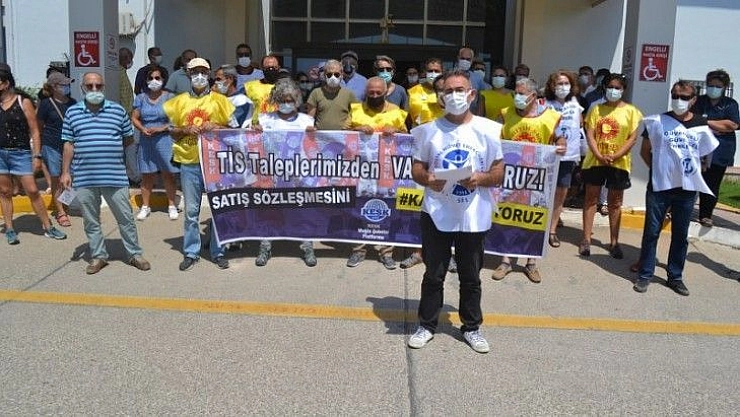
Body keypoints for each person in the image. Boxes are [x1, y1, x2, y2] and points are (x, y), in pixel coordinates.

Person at [407, 69, 504, 354]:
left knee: (471, 276)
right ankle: (427, 325)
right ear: (440, 97)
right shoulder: (428, 130)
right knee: (433, 274)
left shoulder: (488, 129)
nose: (454, 95)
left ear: (471, 94)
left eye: (459, 90)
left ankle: (472, 327)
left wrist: (480, 178)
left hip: (473, 215)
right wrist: (428, 179)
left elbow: (498, 172)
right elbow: (416, 169)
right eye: (448, 91)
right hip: (436, 212)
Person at [633, 80, 718, 296]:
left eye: (684, 97)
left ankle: (675, 276)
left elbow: (706, 152)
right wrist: (661, 171)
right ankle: (645, 274)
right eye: (675, 96)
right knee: (651, 232)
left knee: (680, 235)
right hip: (659, 188)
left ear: (693, 100)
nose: (679, 100)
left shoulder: (701, 123)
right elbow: (645, 151)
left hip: (687, 190)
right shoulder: (658, 121)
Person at [60, 71, 149, 274]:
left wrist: (121, 162)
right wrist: (65, 172)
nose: (94, 89)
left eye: (98, 86)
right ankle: (99, 256)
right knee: (91, 220)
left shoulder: (117, 111)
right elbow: (68, 144)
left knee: (125, 218)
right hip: (84, 177)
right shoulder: (72, 113)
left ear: (104, 88)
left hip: (114, 176)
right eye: (89, 86)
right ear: (82, 88)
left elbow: (128, 140)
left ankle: (134, 254)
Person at [163, 58, 236, 271]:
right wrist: (184, 129)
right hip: (190, 162)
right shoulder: (179, 101)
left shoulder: (221, 100)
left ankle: (218, 252)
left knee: (218, 209)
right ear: (188, 74)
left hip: (216, 162)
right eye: (195, 72)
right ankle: (191, 252)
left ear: (209, 73)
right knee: (191, 211)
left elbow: (234, 131)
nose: (200, 76)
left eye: (203, 72)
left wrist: (218, 126)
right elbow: (171, 131)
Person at [491, 78, 565, 283]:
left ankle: (531, 263)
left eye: (521, 93)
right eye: (516, 93)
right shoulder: (506, 114)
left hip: (537, 178)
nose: (517, 97)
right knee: (507, 216)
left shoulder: (550, 117)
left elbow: (560, 138)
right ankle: (505, 261)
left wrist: (561, 145)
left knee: (534, 219)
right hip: (510, 177)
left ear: (533, 96)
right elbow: (494, 137)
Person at [246, 78, 317, 267]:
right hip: (272, 176)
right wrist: (255, 132)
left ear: (297, 100)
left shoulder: (306, 121)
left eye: (290, 100)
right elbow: (253, 145)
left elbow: (314, 148)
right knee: (269, 213)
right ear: (276, 100)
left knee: (301, 213)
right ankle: (265, 247)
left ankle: (307, 247)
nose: (287, 103)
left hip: (297, 176)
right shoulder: (265, 119)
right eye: (283, 100)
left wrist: (314, 135)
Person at [345, 77, 408, 270]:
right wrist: (357, 129)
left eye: (378, 93)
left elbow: (408, 140)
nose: (374, 96)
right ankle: (358, 250)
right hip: (361, 171)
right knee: (359, 209)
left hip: (386, 171)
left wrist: (396, 131)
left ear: (385, 92)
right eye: (370, 92)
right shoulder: (356, 110)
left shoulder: (396, 111)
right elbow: (340, 134)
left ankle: (386, 252)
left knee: (387, 210)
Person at [0, 67, 67, 245]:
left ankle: (48, 226)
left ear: (5, 83)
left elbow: (35, 131)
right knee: (5, 192)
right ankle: (10, 228)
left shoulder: (22, 102)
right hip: (1, 154)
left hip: (20, 153)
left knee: (32, 190)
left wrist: (37, 156)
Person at [579, 73, 643, 258]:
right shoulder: (596, 109)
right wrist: (599, 155)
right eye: (610, 87)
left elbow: (632, 138)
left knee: (615, 203)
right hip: (595, 160)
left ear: (623, 90)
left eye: (617, 88)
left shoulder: (631, 111)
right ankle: (586, 239)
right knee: (591, 199)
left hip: (619, 163)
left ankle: (614, 241)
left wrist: (616, 155)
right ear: (604, 88)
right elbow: (590, 134)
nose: (613, 91)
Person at [691, 69, 740, 227]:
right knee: (690, 179)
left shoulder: (730, 104)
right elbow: (692, 119)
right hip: (698, 147)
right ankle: (679, 210)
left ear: (724, 87)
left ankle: (706, 215)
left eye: (718, 86)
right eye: (711, 85)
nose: (714, 89)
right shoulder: (699, 102)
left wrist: (706, 122)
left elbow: (732, 125)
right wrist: (717, 125)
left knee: (712, 183)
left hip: (720, 150)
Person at [131, 67, 179, 221]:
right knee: (147, 174)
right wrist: (142, 129)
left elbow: (175, 120)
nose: (154, 81)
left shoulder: (170, 97)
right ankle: (145, 206)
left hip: (165, 138)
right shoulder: (141, 98)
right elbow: (134, 117)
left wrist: (161, 128)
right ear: (146, 80)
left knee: (168, 174)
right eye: (151, 78)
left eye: (157, 78)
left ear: (163, 79)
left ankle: (172, 205)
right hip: (146, 139)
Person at [543, 70, 583, 248]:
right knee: (545, 193)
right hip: (547, 155)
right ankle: (541, 227)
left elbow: (580, 125)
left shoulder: (574, 103)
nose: (563, 87)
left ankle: (552, 230)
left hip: (568, 156)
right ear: (552, 86)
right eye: (559, 83)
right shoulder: (544, 104)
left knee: (561, 193)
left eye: (566, 83)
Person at [36, 71, 77, 227]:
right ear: (54, 86)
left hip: (70, 144)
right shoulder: (46, 104)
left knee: (72, 177)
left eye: (67, 84)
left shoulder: (73, 102)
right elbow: (39, 126)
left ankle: (65, 204)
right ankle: (60, 212)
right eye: (63, 84)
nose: (67, 86)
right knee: (56, 178)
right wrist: (39, 149)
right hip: (51, 144)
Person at [306, 60, 357, 130]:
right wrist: (310, 128)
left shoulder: (349, 94)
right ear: (324, 75)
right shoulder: (316, 93)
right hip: (321, 135)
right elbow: (309, 118)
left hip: (342, 135)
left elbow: (355, 116)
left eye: (336, 74)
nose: (333, 77)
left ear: (342, 75)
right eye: (329, 75)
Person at [244, 55, 281, 125]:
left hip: (279, 127)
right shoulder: (250, 86)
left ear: (279, 68)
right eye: (267, 68)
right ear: (262, 68)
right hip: (257, 127)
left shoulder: (286, 87)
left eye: (274, 67)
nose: (271, 70)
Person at [455, 47, 486, 115]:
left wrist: (479, 116)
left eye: (468, 59)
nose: (465, 61)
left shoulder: (478, 78)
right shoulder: (449, 76)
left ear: (472, 60)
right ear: (458, 58)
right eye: (462, 58)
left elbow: (481, 99)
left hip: (472, 116)